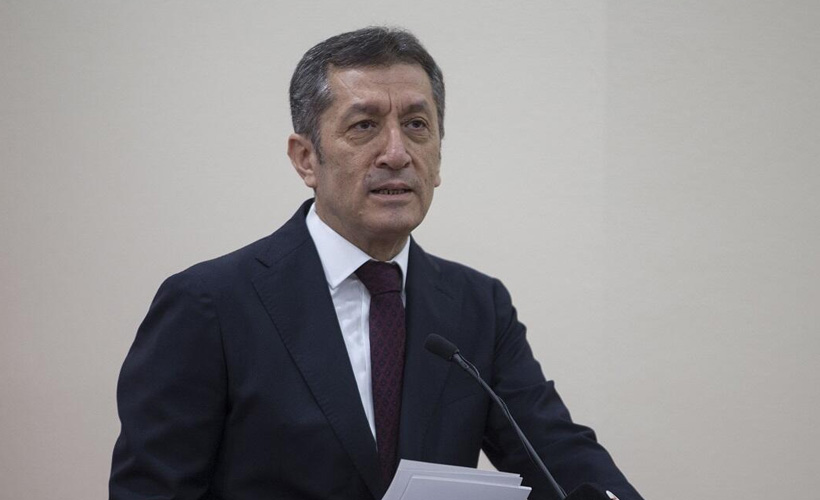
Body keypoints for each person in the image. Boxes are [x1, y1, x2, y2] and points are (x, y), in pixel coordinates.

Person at [110, 27, 643, 500]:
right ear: (305, 158)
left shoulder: (478, 305)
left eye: (416, 125)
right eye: (364, 126)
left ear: (438, 156)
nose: (396, 152)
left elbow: (557, 454)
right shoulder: (210, 304)